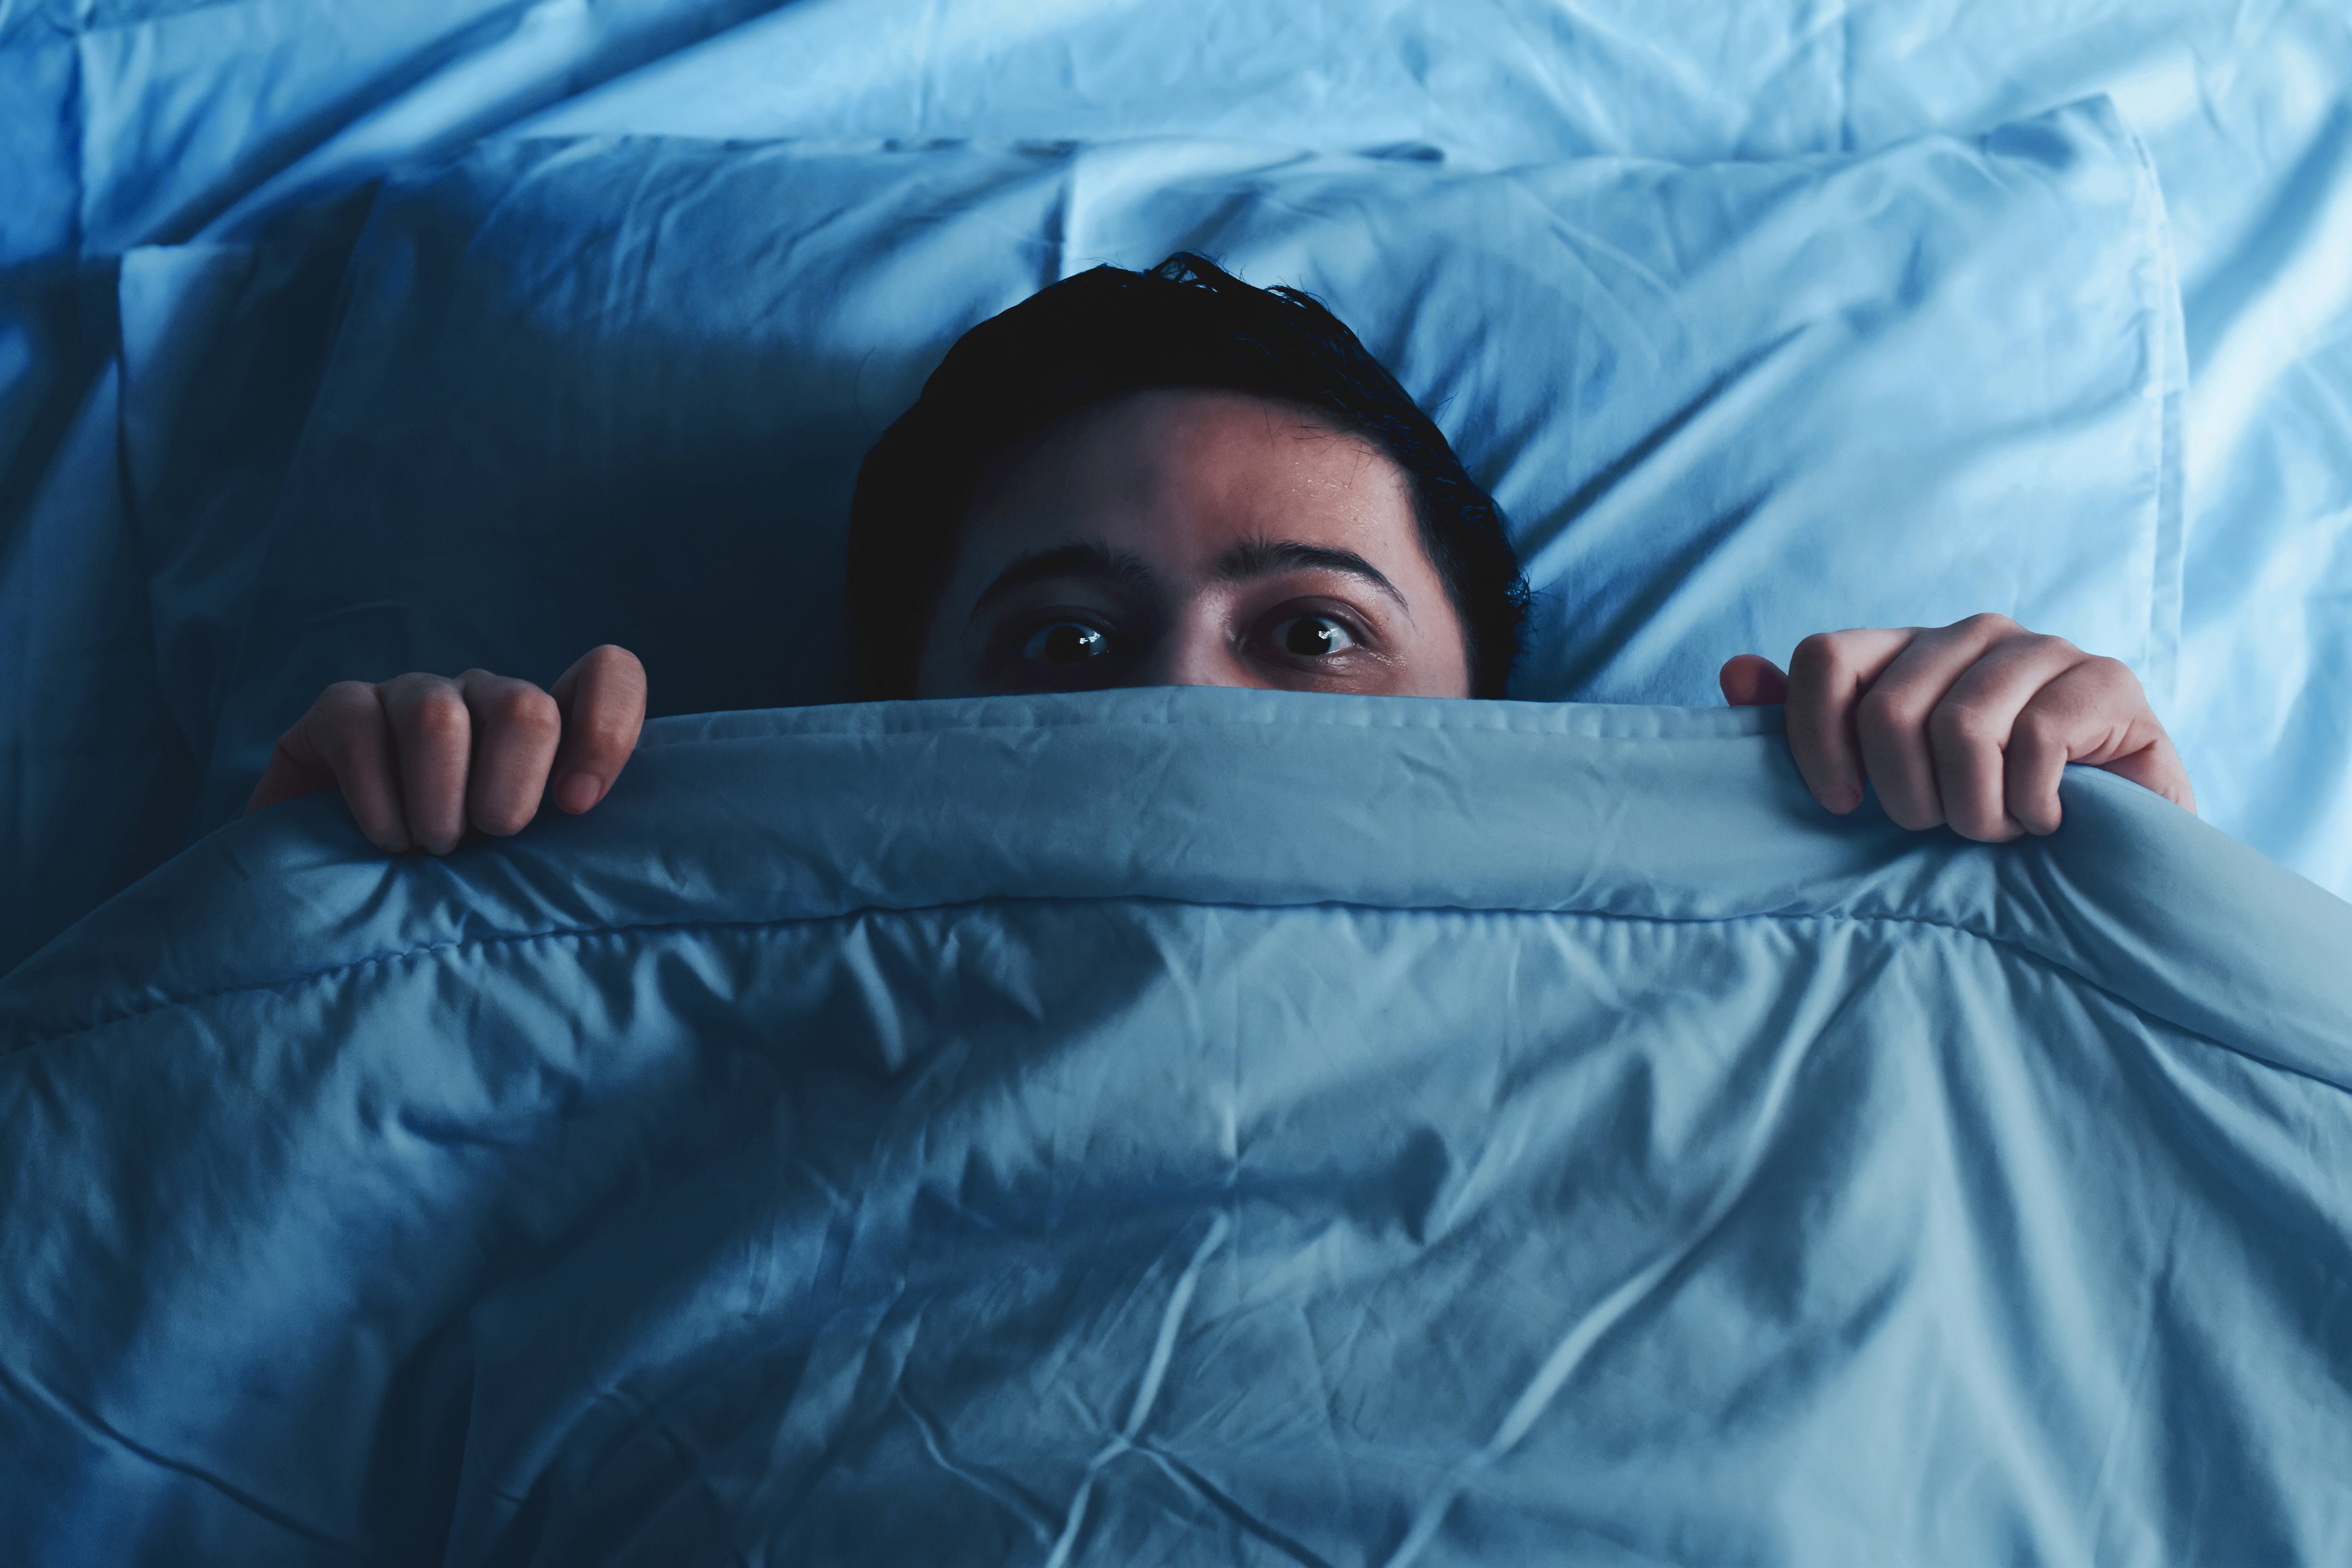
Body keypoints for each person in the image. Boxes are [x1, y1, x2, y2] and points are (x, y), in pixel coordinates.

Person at [245, 255, 2196, 853]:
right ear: (892, 716)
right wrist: (340, 895)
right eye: (1064, 644)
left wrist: (2122, 874)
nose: (1184, 696)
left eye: (1314, 630)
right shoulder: (641, 1019)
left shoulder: (1789, 997)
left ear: (1487, 711)